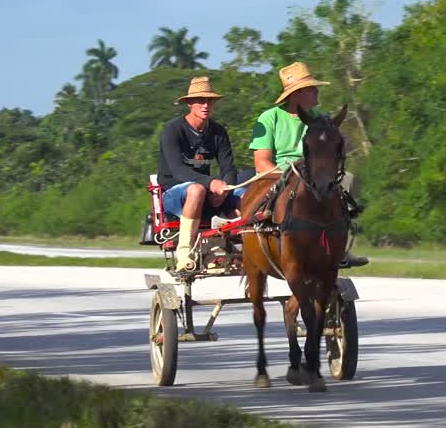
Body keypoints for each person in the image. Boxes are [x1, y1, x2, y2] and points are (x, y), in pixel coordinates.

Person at [249, 61, 369, 268]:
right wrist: (289, 176)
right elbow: (261, 163)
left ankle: (339, 246)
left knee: (347, 178)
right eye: (311, 89)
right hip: (281, 174)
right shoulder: (270, 118)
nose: (317, 92)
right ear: (296, 94)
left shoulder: (321, 120)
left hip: (313, 173)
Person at [157, 76, 240, 272]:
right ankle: (185, 253)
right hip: (175, 195)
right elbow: (178, 170)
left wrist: (225, 189)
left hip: (207, 194)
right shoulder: (172, 130)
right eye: (201, 100)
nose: (206, 105)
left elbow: (229, 168)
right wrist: (211, 183)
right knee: (196, 190)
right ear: (189, 103)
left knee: (247, 195)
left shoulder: (218, 132)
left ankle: (241, 251)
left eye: (210, 101)